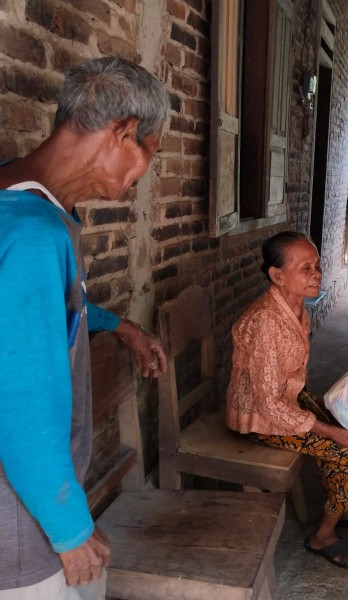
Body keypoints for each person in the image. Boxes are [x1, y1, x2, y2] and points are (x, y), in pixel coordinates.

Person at [0, 57, 169, 599]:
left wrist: (118, 325)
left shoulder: (18, 197)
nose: (144, 172)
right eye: (150, 151)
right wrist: (70, 529)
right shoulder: (33, 232)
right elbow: (21, 402)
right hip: (17, 513)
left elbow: (41, 310)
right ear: (123, 131)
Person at [226, 231, 348, 569]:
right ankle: (322, 536)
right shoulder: (266, 321)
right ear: (277, 276)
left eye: (317, 266)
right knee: (347, 450)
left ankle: (346, 508)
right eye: (305, 268)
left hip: (288, 401)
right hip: (260, 419)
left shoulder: (296, 308)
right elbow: (269, 404)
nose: (316, 274)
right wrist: (328, 431)